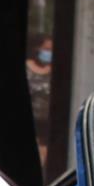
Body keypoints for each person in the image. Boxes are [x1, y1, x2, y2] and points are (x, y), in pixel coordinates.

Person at [26, 34, 54, 169]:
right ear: (37, 48)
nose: (49, 53)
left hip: (46, 121)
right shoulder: (27, 67)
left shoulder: (54, 70)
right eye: (46, 49)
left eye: (51, 50)